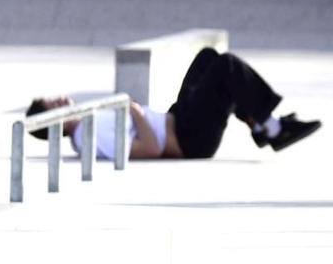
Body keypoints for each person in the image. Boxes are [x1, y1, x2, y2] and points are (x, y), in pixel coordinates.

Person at [26, 48, 319, 161]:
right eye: (55, 104)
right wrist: (135, 112)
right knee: (226, 67)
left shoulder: (87, 126)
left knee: (207, 58)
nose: (62, 98)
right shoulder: (90, 137)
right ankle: (273, 128)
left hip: (178, 120)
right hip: (189, 139)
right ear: (55, 123)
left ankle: (259, 126)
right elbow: (151, 149)